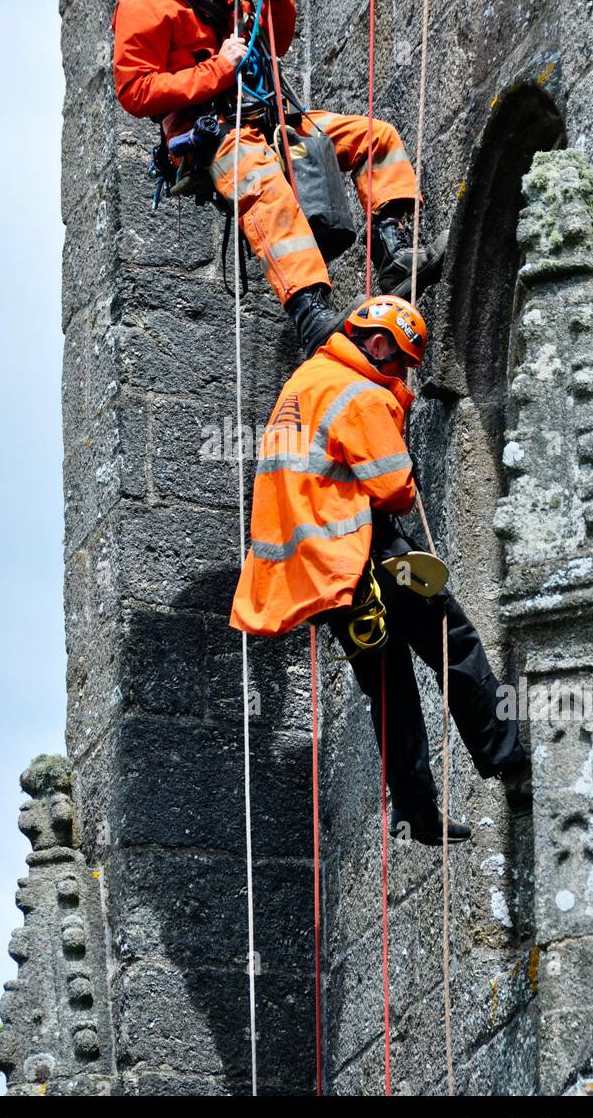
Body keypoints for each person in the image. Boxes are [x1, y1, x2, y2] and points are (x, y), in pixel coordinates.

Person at [228, 294, 532, 846]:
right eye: (399, 364)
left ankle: (417, 811)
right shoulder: (360, 395)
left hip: (321, 574)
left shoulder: (304, 384)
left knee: (388, 685)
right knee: (451, 642)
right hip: (363, 550)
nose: (400, 376)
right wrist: (395, 417)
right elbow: (394, 489)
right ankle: (508, 760)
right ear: (377, 344)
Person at [111, 0, 446, 357]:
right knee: (264, 183)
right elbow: (135, 90)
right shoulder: (148, 3)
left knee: (373, 136)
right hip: (215, 139)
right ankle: (311, 311)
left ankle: (393, 248)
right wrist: (217, 69)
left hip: (268, 122)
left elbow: (278, 40)